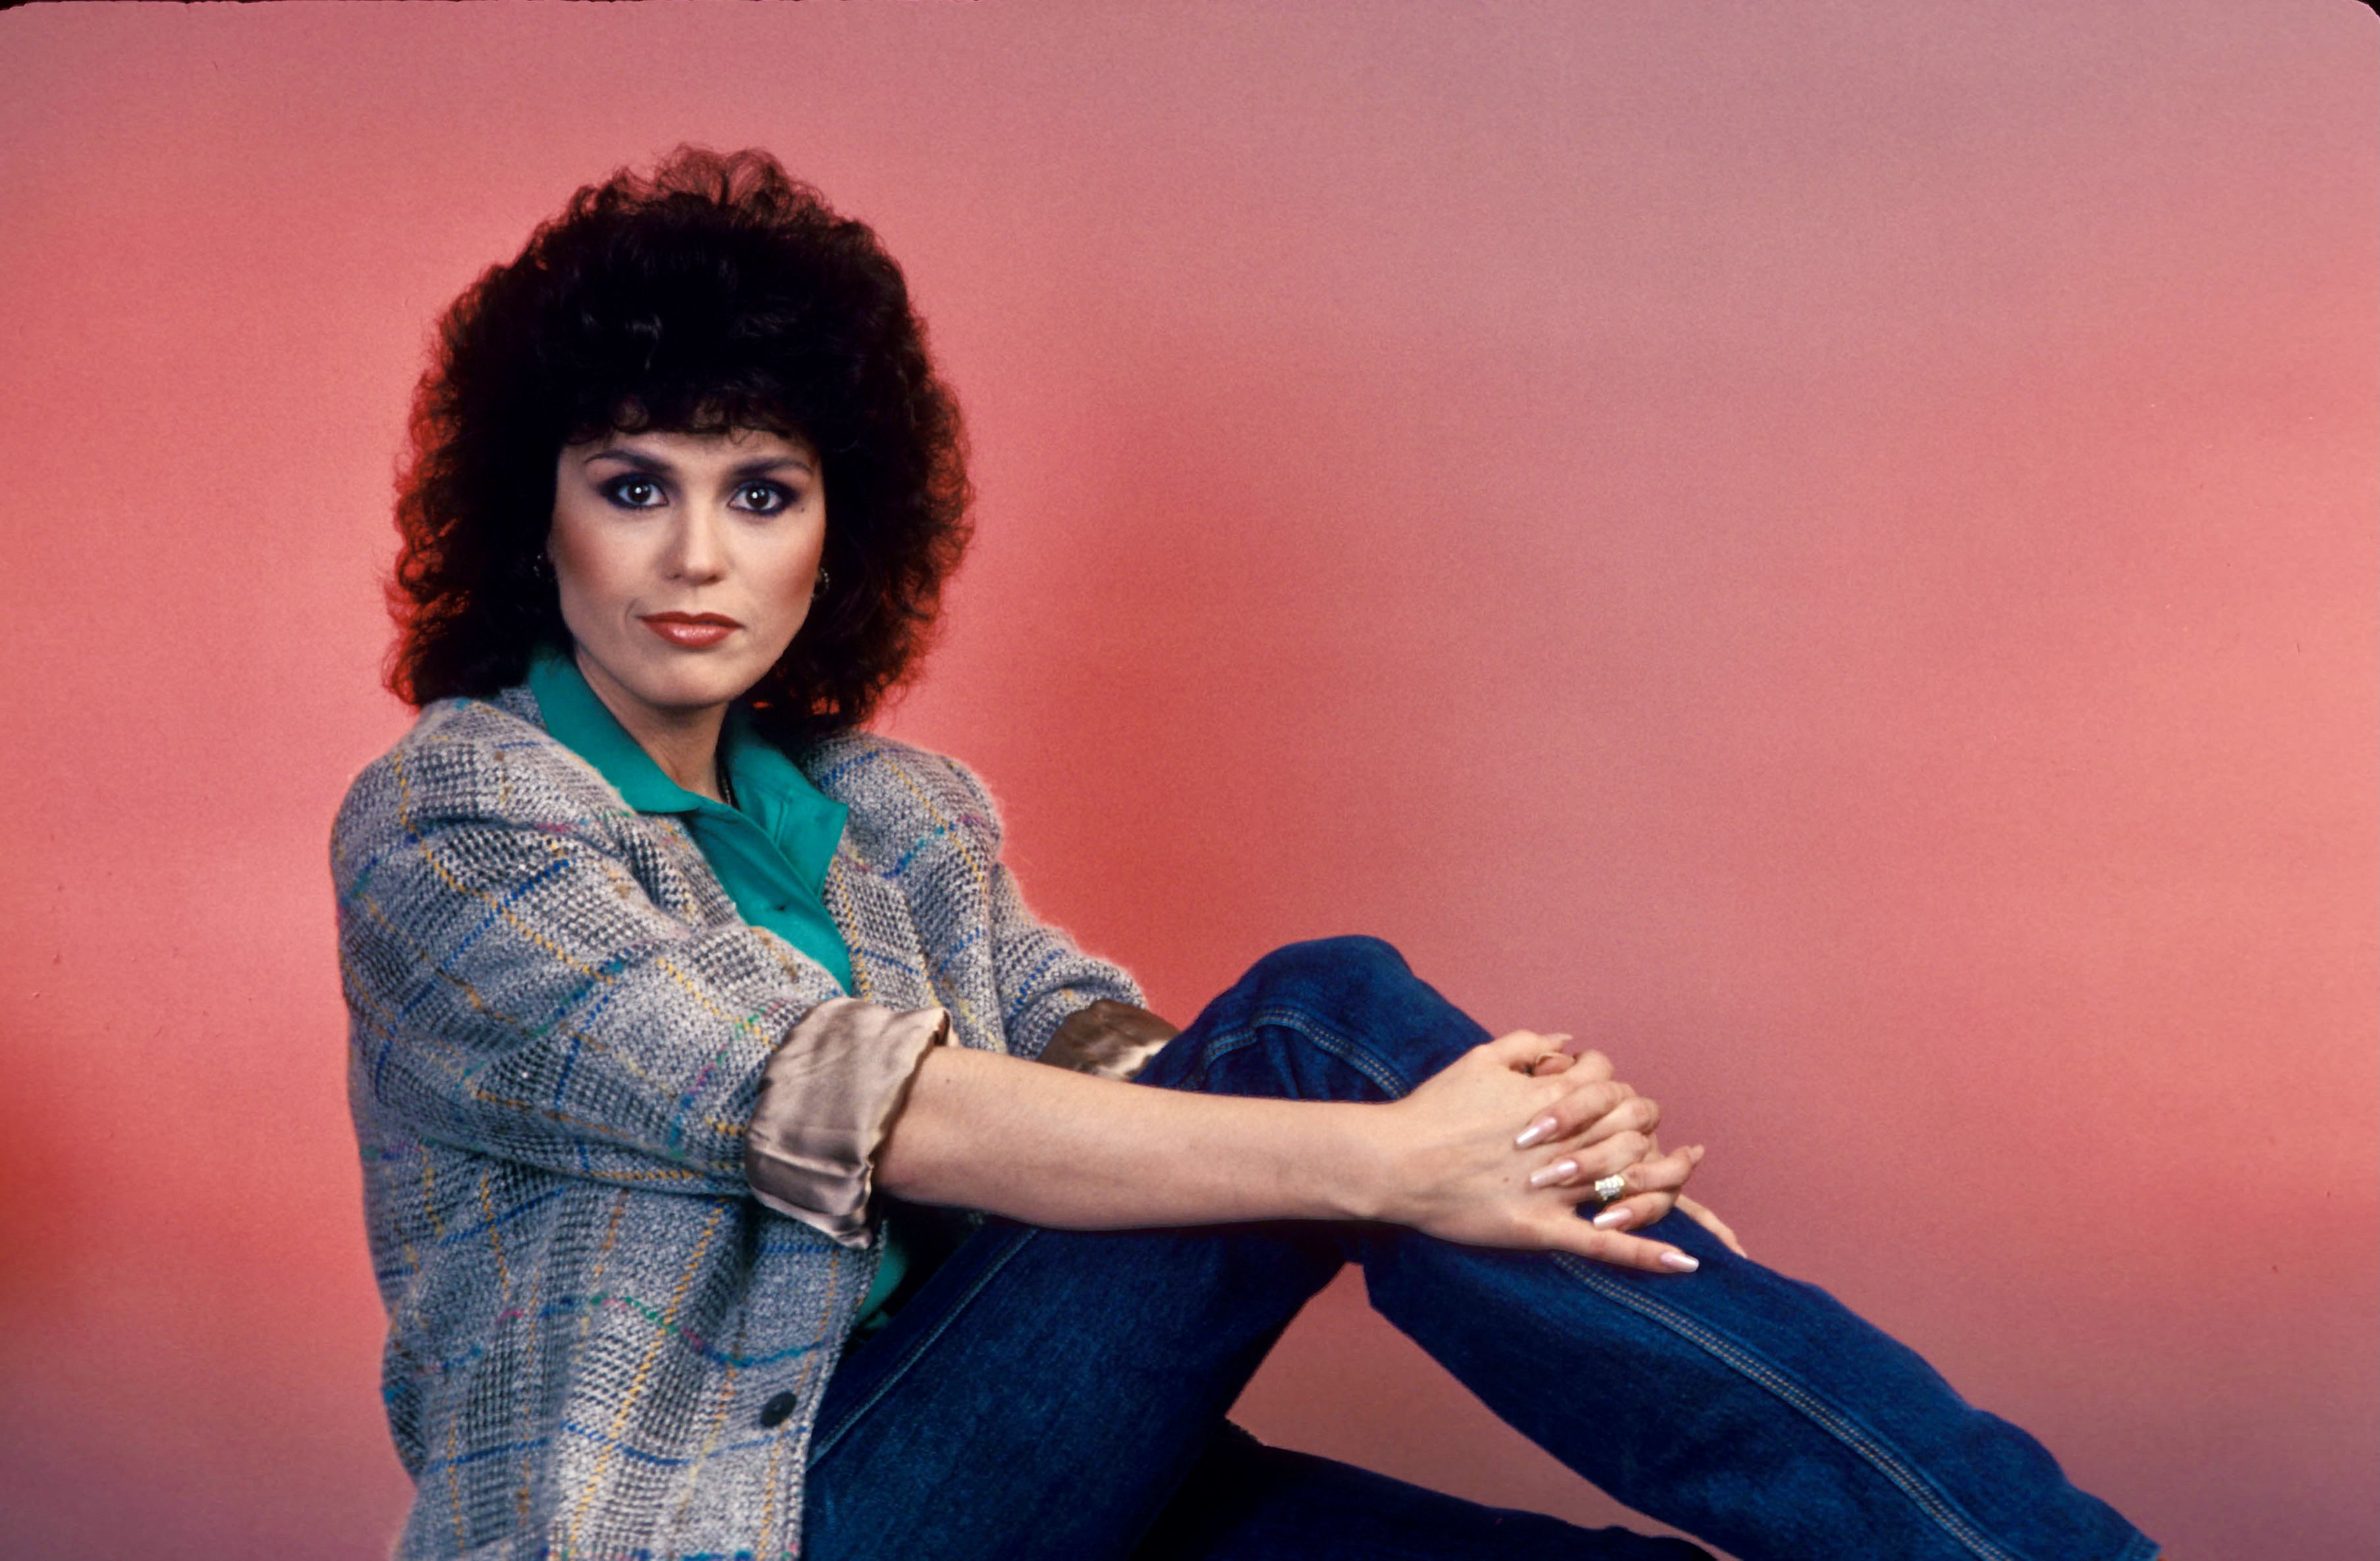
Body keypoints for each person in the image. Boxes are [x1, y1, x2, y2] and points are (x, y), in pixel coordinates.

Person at [335, 146, 2158, 1561]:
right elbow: (854, 1106)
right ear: (537, 508)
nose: (698, 558)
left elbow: (1098, 1050)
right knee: (1322, 1035)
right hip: (726, 1528)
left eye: (763, 491)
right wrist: (1399, 1159)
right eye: (635, 484)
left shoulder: (895, 815)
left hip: (1012, 1467)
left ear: (838, 525)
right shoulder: (460, 823)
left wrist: (1538, 1174)